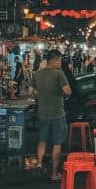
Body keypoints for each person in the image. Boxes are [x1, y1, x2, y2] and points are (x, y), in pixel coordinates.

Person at [29, 48, 71, 180]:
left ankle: (39, 165)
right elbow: (68, 91)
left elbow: (30, 93)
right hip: (57, 114)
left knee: (42, 142)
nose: (60, 63)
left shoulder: (36, 74)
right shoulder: (59, 74)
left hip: (42, 114)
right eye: (59, 60)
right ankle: (54, 174)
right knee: (57, 144)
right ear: (54, 60)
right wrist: (62, 95)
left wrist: (39, 97)